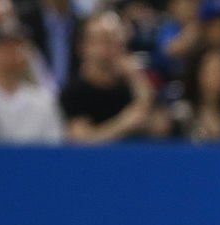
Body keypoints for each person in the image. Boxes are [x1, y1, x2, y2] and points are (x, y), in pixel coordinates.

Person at [59, 11, 159, 142]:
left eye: (116, 39)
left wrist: (135, 77)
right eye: (103, 40)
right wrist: (123, 124)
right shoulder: (73, 93)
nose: (110, 48)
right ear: (83, 47)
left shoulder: (133, 85)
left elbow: (159, 126)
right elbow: (81, 141)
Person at [0, 20, 64, 143]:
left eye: (17, 47)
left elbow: (55, 145)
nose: (10, 54)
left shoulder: (44, 101)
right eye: (3, 48)